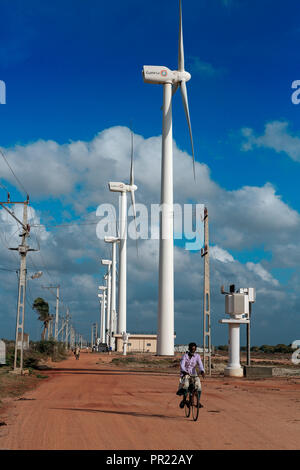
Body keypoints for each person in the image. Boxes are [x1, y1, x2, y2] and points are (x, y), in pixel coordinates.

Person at [177, 342, 205, 409]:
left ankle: (198, 402)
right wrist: (184, 371)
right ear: (189, 349)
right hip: (185, 373)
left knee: (199, 386)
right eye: (192, 349)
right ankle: (184, 400)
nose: (193, 351)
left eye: (194, 349)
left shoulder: (197, 356)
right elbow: (182, 365)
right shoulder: (185, 356)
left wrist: (202, 371)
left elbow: (200, 364)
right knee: (186, 385)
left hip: (193, 374)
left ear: (195, 349)